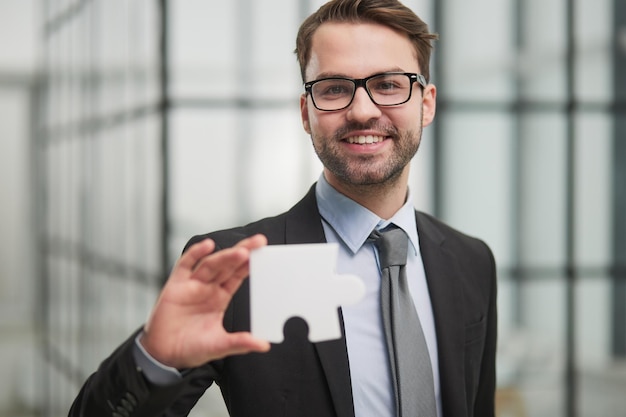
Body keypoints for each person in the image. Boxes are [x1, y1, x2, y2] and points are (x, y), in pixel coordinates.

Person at [68, 0, 497, 416]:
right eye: (334, 88)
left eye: (388, 84)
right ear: (306, 113)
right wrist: (154, 359)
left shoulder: (470, 261)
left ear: (426, 104)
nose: (362, 110)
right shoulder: (239, 268)